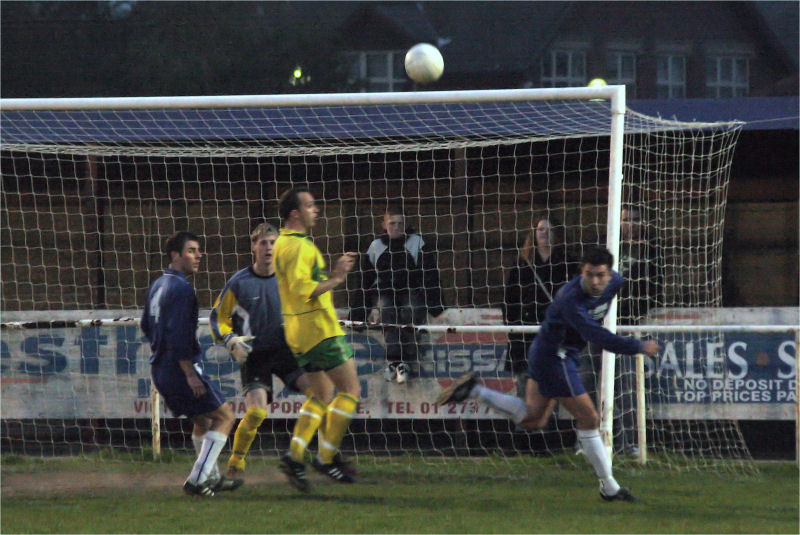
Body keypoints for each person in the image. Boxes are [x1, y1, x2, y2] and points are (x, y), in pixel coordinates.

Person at [437, 247, 660, 502]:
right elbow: (597, 336)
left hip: (550, 352)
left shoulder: (616, 283)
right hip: (555, 356)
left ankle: (475, 390)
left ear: (610, 274)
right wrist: (638, 346)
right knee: (589, 418)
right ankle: (610, 488)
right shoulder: (570, 298)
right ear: (581, 272)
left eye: (600, 275)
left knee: (533, 420)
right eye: (590, 275)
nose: (595, 281)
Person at [210, 223, 357, 483]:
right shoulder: (239, 282)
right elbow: (217, 317)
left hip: (289, 352)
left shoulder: (290, 278)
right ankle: (236, 461)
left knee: (320, 397)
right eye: (263, 243)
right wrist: (230, 339)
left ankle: (327, 457)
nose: (269, 248)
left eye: (273, 243)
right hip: (256, 356)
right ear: (253, 246)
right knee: (256, 413)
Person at [141, 231, 242, 497]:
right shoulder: (182, 288)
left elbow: (146, 325)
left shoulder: (158, 284)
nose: (199, 255)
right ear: (176, 255)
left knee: (202, 420)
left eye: (198, 250)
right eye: (192, 251)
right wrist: (190, 373)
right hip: (180, 369)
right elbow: (179, 334)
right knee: (225, 416)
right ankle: (197, 479)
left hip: (160, 369)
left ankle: (212, 476)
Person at [273, 187, 361, 491]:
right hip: (318, 330)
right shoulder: (299, 247)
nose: (317, 209)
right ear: (295, 213)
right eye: (310, 205)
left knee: (321, 395)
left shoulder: (282, 243)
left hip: (297, 331)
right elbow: (301, 289)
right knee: (350, 389)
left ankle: (295, 455)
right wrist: (336, 278)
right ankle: (326, 458)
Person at [350, 205, 444, 383]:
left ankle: (406, 360)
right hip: (384, 291)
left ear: (406, 224)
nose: (396, 227)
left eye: (400, 223)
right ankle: (394, 360)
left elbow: (430, 274)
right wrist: (358, 313)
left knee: (411, 310)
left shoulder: (417, 242)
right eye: (392, 223)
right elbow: (365, 280)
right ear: (384, 225)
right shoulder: (375, 246)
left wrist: (436, 306)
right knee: (386, 310)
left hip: (410, 289)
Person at [503, 215, 573, 395]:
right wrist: (512, 327)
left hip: (554, 332)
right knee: (524, 389)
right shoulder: (522, 265)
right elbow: (509, 299)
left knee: (551, 389)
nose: (544, 233)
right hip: (525, 333)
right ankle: (525, 423)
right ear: (533, 233)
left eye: (549, 230)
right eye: (541, 229)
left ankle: (547, 423)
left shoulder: (568, 264)